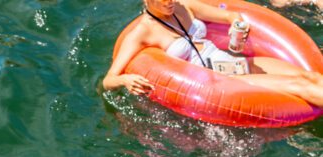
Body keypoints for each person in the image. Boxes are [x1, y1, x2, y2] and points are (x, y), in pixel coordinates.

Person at [102, 0, 323, 108]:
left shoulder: (183, 6)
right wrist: (125, 80)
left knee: (311, 76)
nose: (169, 2)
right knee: (300, 85)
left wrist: (237, 27)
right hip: (219, 80)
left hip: (229, 63)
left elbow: (230, 16)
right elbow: (108, 80)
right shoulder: (142, 32)